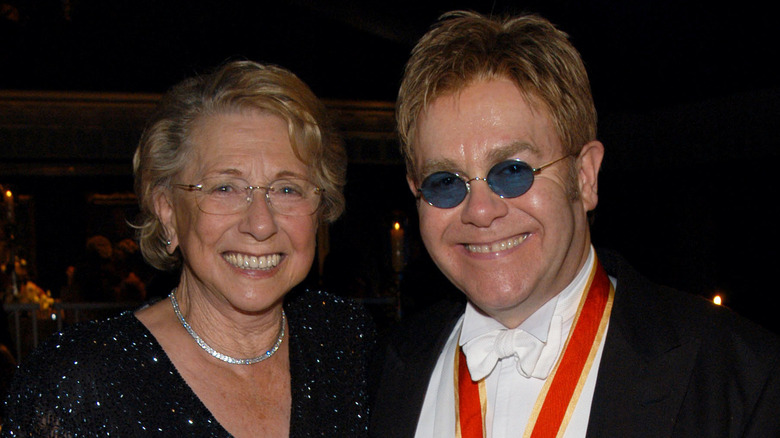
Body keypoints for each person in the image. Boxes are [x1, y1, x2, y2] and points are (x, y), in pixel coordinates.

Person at [369, 11, 780, 437]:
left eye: (512, 171)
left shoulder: (739, 376)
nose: (480, 211)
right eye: (445, 182)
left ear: (584, 177)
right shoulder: (382, 371)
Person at [3, 60, 374, 437]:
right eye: (224, 188)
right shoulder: (75, 383)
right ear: (167, 210)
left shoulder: (346, 343)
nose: (260, 224)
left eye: (287, 189)